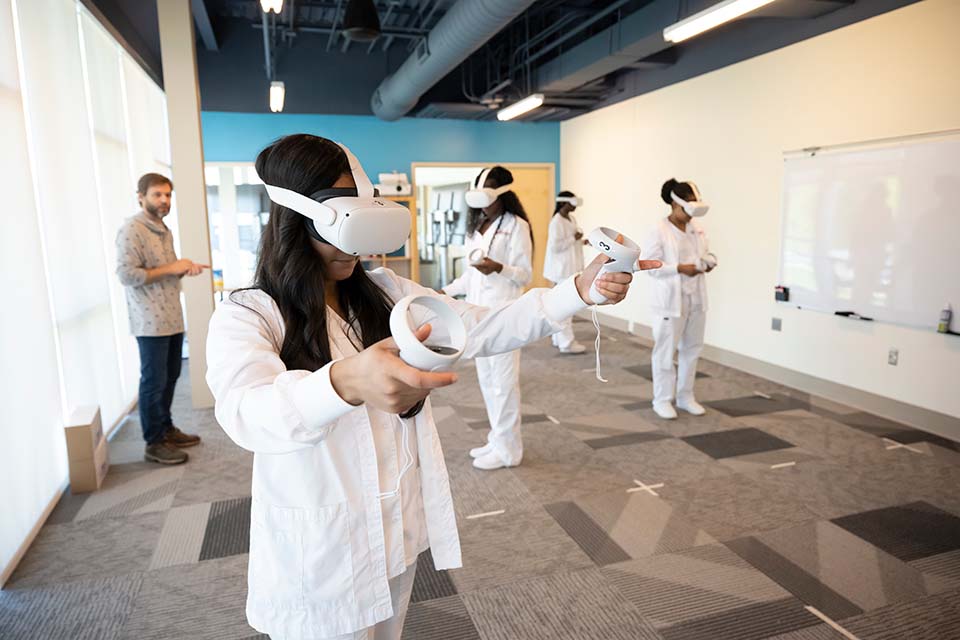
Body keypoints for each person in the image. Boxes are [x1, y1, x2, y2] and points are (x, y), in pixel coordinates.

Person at [204, 135, 643, 640]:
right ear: (296, 216)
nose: (353, 246)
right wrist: (345, 382)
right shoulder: (248, 313)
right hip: (321, 549)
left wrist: (578, 290)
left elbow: (484, 325)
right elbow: (245, 411)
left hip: (393, 529)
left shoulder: (387, 292)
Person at [442, 166, 534, 471]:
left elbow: (525, 275)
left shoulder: (516, 225)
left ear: (503, 191)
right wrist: (444, 291)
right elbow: (470, 277)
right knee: (487, 380)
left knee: (504, 384)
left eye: (488, 187)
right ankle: (497, 439)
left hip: (504, 314)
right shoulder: (477, 225)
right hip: (477, 315)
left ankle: (510, 450)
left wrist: (499, 268)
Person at [116, 173, 207, 464]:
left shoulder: (162, 228)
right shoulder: (132, 229)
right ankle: (154, 442)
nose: (164, 200)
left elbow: (162, 269)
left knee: (171, 376)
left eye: (168, 195)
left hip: (171, 316)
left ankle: (166, 429)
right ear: (140, 196)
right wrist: (172, 268)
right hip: (149, 320)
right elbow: (127, 275)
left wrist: (184, 268)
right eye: (157, 194)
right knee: (154, 380)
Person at [643, 178, 714, 420]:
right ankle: (662, 399)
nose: (691, 215)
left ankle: (686, 397)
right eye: (688, 208)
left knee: (692, 349)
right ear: (675, 204)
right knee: (665, 352)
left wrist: (707, 262)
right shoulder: (658, 229)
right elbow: (650, 266)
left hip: (695, 298)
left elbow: (704, 253)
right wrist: (679, 268)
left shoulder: (696, 228)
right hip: (669, 300)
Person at [544, 190, 589, 354]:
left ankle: (558, 338)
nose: (574, 207)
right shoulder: (556, 222)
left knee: (561, 305)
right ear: (563, 203)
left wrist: (582, 241)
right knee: (566, 306)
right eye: (572, 203)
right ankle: (566, 342)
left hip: (570, 268)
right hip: (562, 270)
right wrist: (574, 238)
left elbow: (569, 243)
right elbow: (556, 247)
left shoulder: (570, 219)